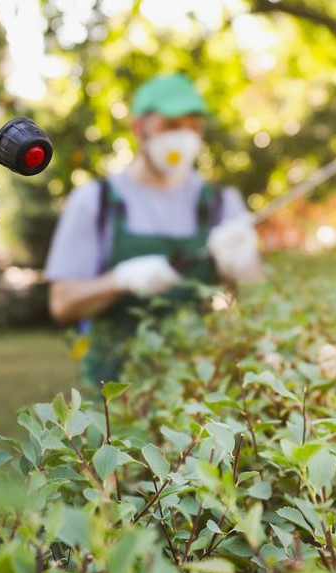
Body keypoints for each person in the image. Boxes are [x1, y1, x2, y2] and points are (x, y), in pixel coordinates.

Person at [44, 72, 264, 385]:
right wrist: (121, 280)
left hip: (201, 386)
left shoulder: (220, 203)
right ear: (139, 128)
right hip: (118, 390)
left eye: (194, 127)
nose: (185, 137)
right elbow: (62, 304)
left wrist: (242, 266)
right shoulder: (96, 202)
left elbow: (257, 303)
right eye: (172, 126)